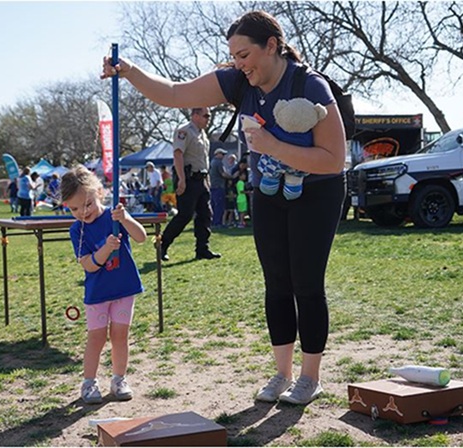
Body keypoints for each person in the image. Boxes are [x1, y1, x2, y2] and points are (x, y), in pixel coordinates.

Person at [101, 10, 346, 404]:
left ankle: (309, 378)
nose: (238, 64)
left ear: (272, 46)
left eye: (244, 55)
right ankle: (282, 374)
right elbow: (175, 94)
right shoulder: (237, 82)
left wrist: (273, 147)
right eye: (233, 56)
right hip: (268, 192)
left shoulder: (309, 84)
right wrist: (130, 72)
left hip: (316, 191)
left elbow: (334, 160)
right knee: (277, 283)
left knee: (306, 283)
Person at [60, 165, 147, 404]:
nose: (82, 212)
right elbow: (88, 265)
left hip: (124, 289)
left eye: (87, 204)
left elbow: (141, 237)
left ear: (99, 193)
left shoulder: (115, 216)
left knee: (120, 336)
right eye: (74, 208)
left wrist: (126, 219)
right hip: (98, 294)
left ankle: (119, 379)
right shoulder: (77, 230)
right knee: (96, 338)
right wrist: (106, 249)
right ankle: (89, 382)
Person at [158, 108, 220, 261]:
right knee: (185, 215)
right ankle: (162, 244)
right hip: (188, 178)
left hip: (202, 179)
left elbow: (203, 159)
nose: (208, 119)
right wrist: (181, 179)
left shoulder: (202, 134)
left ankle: (202, 249)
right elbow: (178, 154)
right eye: (206, 116)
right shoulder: (184, 131)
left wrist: (207, 180)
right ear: (195, 115)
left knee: (205, 214)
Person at [208, 148, 230, 228]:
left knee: (213, 205)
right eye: (222, 154)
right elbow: (223, 174)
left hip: (212, 186)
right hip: (219, 186)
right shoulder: (218, 162)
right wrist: (232, 177)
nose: (223, 156)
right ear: (217, 154)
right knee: (219, 205)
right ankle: (217, 223)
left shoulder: (212, 162)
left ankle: (213, 222)